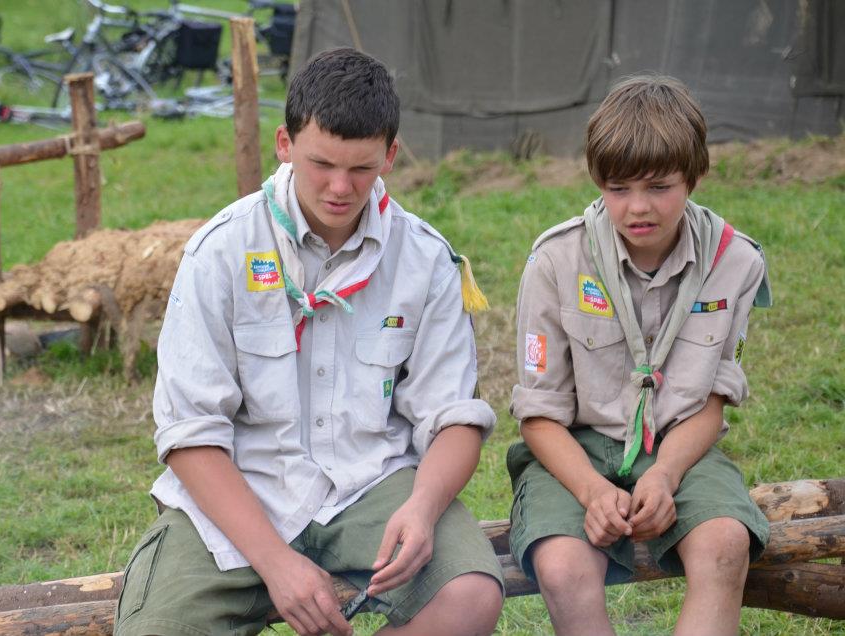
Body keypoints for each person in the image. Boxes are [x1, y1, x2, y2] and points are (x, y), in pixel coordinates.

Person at [115, 48, 504, 636]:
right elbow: (190, 433)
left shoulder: (425, 259)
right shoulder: (220, 252)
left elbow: (454, 417)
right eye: (321, 163)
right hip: (242, 490)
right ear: (284, 144)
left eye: (362, 169)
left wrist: (422, 510)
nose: (340, 188)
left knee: (470, 596)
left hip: (371, 483)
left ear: (391, 156)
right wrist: (275, 563)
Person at [506, 75, 773, 635]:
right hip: (573, 451)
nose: (637, 208)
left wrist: (667, 475)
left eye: (659, 186)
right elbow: (537, 413)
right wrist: (592, 491)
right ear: (597, 181)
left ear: (696, 175)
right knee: (562, 566)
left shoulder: (736, 262)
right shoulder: (556, 262)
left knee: (725, 546)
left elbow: (715, 396)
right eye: (619, 187)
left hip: (681, 447)